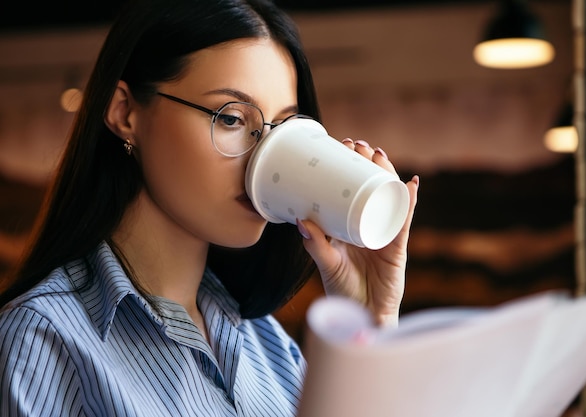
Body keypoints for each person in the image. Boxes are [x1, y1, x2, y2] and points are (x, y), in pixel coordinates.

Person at [0, 0, 419, 415]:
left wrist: (371, 324)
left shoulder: (265, 342)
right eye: (231, 118)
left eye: (285, 129)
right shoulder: (40, 339)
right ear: (125, 112)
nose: (264, 159)